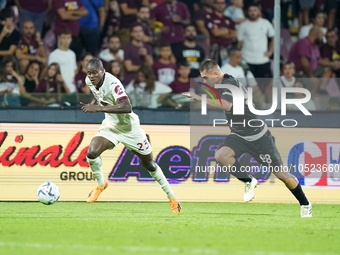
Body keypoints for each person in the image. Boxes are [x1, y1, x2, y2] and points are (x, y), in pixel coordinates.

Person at [182, 59, 312, 218]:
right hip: (239, 135)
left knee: (282, 174)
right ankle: (249, 180)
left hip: (258, 136)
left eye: (206, 77)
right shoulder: (223, 83)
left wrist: (198, 98)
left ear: (216, 74)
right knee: (221, 155)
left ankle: (305, 204)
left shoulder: (229, 84)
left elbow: (226, 105)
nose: (204, 81)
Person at [80, 58, 181, 213]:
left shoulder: (114, 84)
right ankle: (101, 184)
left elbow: (127, 107)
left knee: (149, 165)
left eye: (95, 73)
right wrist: (94, 104)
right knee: (91, 152)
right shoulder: (89, 81)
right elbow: (98, 96)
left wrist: (98, 109)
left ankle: (172, 197)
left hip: (130, 129)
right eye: (89, 73)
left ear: (102, 71)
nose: (91, 76)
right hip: (111, 126)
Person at [288, 27, 334, 94]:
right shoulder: (303, 43)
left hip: (313, 70)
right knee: (313, 85)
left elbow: (319, 60)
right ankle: (310, 102)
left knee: (328, 70)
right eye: (321, 35)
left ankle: (321, 88)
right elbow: (304, 63)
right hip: (301, 72)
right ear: (315, 35)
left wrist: (333, 64)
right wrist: (311, 76)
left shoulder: (314, 45)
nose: (322, 38)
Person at [237, 4, 274, 84]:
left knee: (267, 84)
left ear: (259, 12)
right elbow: (239, 42)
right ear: (247, 12)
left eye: (254, 10)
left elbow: (273, 37)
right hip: (247, 59)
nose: (252, 13)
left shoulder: (266, 23)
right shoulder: (243, 25)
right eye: (250, 11)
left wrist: (270, 51)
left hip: (263, 59)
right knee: (249, 86)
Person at [48, 29, 78, 93]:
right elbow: (50, 72)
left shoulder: (72, 54)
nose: (66, 40)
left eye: (68, 38)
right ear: (59, 39)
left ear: (71, 39)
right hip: (60, 88)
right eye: (64, 38)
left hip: (72, 88)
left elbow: (74, 69)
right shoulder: (54, 54)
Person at [208, 0, 237, 65]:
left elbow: (235, 35)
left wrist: (221, 32)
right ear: (214, 4)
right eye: (218, 3)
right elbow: (216, 33)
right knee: (215, 69)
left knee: (228, 69)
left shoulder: (228, 19)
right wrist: (229, 31)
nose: (220, 5)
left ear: (225, 5)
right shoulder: (210, 17)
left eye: (222, 3)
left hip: (228, 48)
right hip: (216, 48)